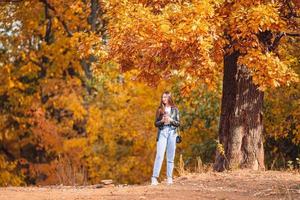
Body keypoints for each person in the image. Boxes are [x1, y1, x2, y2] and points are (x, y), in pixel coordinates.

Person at [151, 91, 180, 185]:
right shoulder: (160, 109)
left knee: (170, 157)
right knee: (159, 155)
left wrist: (171, 120)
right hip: (162, 133)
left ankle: (169, 178)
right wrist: (162, 120)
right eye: (162, 97)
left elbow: (178, 123)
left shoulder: (175, 109)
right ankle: (154, 178)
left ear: (169, 98)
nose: (163, 99)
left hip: (172, 133)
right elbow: (156, 123)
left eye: (165, 97)